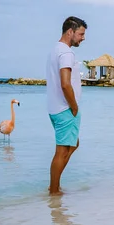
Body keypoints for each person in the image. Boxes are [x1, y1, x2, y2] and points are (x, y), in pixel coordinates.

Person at [46, 16, 87, 195]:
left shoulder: (55, 50)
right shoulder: (67, 53)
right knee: (62, 152)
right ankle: (54, 191)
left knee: (72, 144)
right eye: (81, 34)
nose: (83, 38)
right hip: (65, 109)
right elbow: (65, 83)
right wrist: (74, 106)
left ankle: (54, 186)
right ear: (70, 32)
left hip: (55, 107)